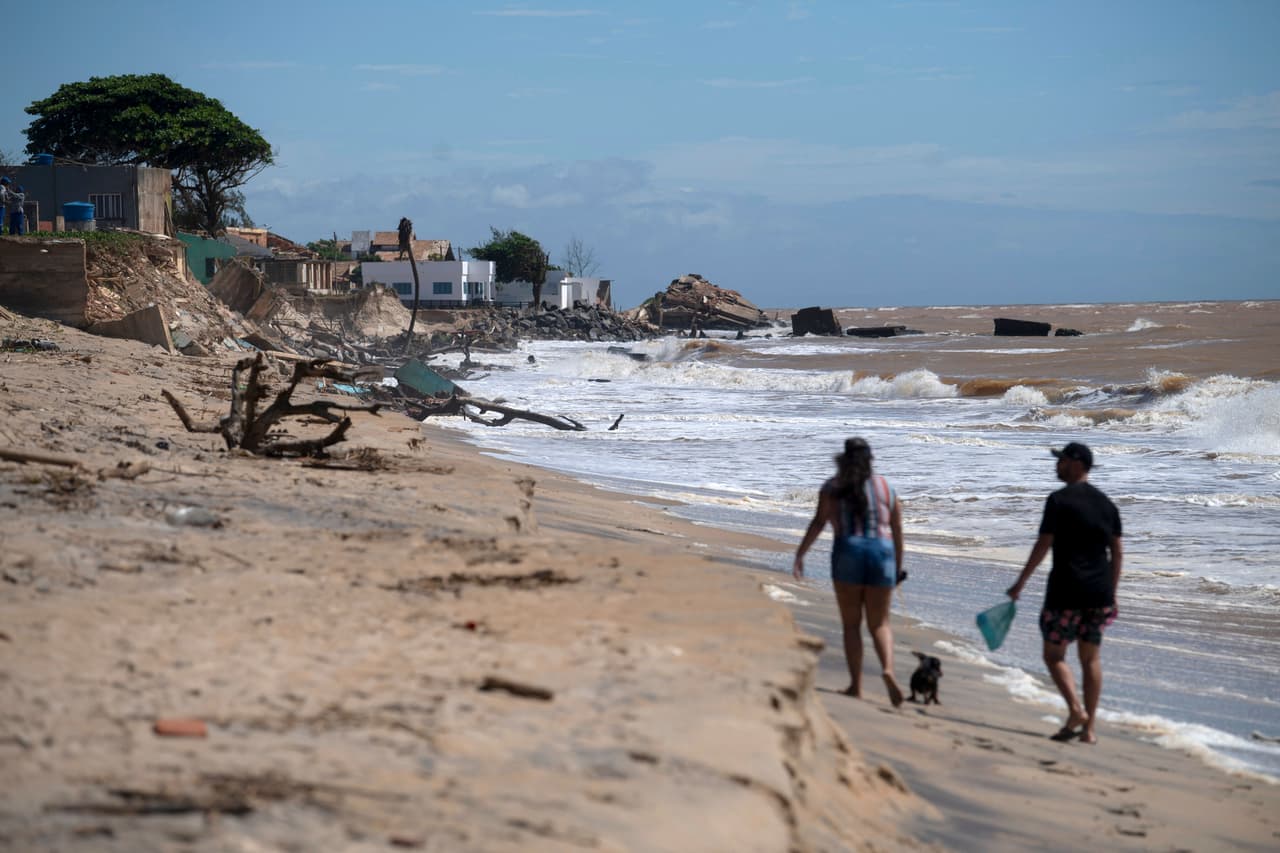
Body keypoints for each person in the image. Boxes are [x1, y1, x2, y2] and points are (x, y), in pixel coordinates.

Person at [1007, 442, 1123, 745]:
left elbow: (1043, 544)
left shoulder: (1058, 500)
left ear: (1078, 464)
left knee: (1054, 655)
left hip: (1066, 590)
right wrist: (1112, 592)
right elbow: (1117, 552)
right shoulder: (1107, 504)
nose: (1057, 466)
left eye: (1062, 461)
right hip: (1099, 594)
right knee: (1090, 659)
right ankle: (1089, 730)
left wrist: (1020, 583)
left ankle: (1076, 710)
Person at [794, 437, 906, 706]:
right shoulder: (886, 487)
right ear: (870, 460)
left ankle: (856, 686)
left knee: (852, 624)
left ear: (844, 458)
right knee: (880, 623)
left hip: (848, 552)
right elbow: (897, 530)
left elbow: (819, 522)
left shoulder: (832, 486)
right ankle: (888, 669)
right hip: (882, 554)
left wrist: (800, 554)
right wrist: (897, 567)